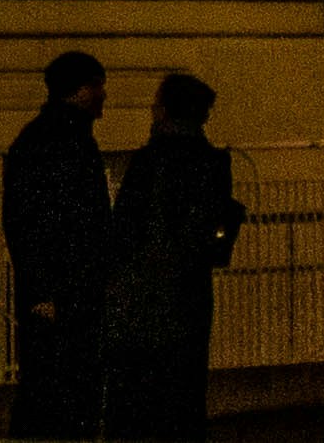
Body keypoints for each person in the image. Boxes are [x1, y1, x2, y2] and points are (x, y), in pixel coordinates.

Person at [94, 68, 245, 434]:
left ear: (163, 112)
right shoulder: (214, 164)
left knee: (133, 400)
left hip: (140, 299)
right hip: (189, 295)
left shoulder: (149, 163)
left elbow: (123, 232)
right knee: (185, 395)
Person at [2, 48, 115, 435]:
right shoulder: (69, 144)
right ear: (82, 90)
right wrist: (46, 291)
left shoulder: (39, 140)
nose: (104, 96)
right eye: (99, 87)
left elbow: (23, 222)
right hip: (69, 291)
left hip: (58, 291)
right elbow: (34, 223)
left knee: (47, 387)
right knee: (65, 389)